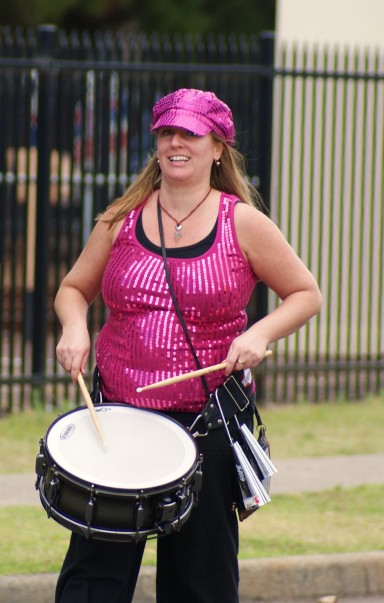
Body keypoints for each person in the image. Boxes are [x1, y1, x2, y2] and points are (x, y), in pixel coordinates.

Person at [53, 87, 322, 603]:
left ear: (217, 146)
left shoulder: (241, 222)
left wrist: (258, 334)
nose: (177, 143)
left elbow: (305, 293)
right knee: (93, 581)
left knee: (200, 585)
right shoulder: (120, 220)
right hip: (118, 421)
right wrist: (74, 327)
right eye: (167, 133)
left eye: (190, 134)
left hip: (205, 424)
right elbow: (73, 289)